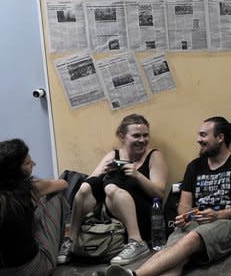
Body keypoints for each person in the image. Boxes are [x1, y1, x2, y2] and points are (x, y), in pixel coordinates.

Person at [94, 117, 231, 276]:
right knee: (173, 253)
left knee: (191, 238)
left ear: (220, 137)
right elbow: (184, 205)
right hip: (196, 222)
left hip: (229, 223)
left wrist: (219, 214)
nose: (198, 139)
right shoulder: (195, 166)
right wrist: (186, 216)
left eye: (203, 135)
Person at [58, 114, 168, 266]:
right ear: (122, 136)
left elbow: (159, 194)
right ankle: (71, 239)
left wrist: (137, 176)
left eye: (145, 135)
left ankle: (137, 242)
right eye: (136, 136)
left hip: (141, 215)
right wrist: (103, 171)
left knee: (111, 188)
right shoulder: (113, 154)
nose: (142, 140)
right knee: (85, 188)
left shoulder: (154, 156)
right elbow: (91, 182)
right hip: (111, 213)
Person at [0, 139, 69, 276]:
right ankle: (65, 245)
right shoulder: (29, 189)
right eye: (28, 163)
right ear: (15, 170)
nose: (34, 164)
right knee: (55, 197)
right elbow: (63, 183)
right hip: (29, 273)